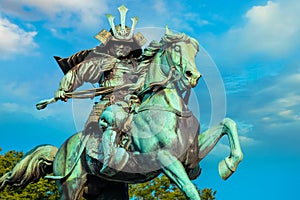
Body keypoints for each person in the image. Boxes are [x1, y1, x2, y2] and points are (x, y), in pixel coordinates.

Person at [54, 5, 147, 175]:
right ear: (110, 45)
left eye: (125, 45)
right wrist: (63, 89)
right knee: (109, 121)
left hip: (134, 105)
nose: (121, 48)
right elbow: (77, 73)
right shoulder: (102, 62)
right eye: (117, 44)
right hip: (109, 103)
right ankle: (109, 158)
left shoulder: (139, 65)